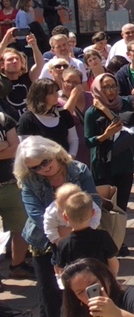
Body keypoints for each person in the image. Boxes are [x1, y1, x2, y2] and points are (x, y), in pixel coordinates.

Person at [15, 136, 101, 317]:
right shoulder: (29, 180)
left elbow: (94, 201)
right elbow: (35, 213)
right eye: (35, 167)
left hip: (79, 238)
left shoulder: (78, 170)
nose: (43, 168)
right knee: (49, 294)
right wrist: (57, 233)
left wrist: (72, 230)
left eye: (45, 162)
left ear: (53, 152)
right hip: (44, 241)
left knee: (82, 290)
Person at [85, 73, 134, 212]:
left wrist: (105, 110)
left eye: (113, 86)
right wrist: (105, 135)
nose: (111, 91)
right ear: (98, 89)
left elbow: (124, 124)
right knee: (105, 208)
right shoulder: (92, 112)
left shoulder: (124, 104)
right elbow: (88, 141)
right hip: (102, 164)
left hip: (124, 162)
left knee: (121, 207)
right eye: (106, 87)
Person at [60, 258, 134, 317]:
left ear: (106, 277)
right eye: (80, 292)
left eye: (92, 285)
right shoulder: (77, 310)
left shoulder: (133, 295)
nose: (88, 294)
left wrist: (116, 313)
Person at [53, 189, 119, 274]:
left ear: (65, 217)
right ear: (92, 213)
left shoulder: (64, 243)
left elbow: (59, 269)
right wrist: (112, 277)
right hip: (100, 278)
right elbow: (113, 262)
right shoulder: (102, 236)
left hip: (77, 281)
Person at [0, 107, 32, 280]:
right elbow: (10, 148)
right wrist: (5, 145)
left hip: (11, 185)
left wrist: (8, 146)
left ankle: (17, 265)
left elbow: (16, 149)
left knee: (22, 227)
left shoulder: (4, 119)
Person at [19, 78, 80, 156]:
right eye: (51, 93)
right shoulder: (27, 119)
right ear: (40, 96)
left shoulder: (64, 114)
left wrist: (71, 157)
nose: (56, 95)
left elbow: (73, 140)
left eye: (56, 91)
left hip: (64, 161)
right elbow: (24, 148)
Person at [0, 42, 42, 121]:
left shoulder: (27, 78)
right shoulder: (1, 81)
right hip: (9, 124)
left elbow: (39, 64)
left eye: (17, 59)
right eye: (10, 59)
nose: (15, 61)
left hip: (28, 122)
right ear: (2, 64)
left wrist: (34, 45)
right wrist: (4, 42)